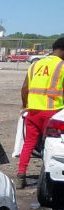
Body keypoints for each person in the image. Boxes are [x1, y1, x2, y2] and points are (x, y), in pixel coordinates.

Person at [17, 37, 64, 188]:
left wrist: (25, 106)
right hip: (53, 113)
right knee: (51, 145)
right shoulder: (62, 66)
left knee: (29, 143)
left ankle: (21, 175)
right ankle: (47, 178)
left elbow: (24, 88)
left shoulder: (35, 64)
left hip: (33, 111)